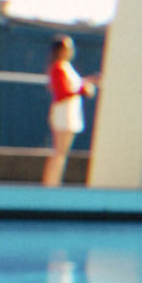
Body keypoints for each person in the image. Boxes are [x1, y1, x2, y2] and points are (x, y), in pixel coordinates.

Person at [43, 35, 97, 187]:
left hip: (70, 113)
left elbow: (73, 86)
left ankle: (54, 182)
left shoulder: (66, 67)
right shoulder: (58, 68)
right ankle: (51, 184)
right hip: (63, 114)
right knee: (59, 152)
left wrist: (87, 82)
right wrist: (82, 90)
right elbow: (62, 92)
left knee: (62, 153)